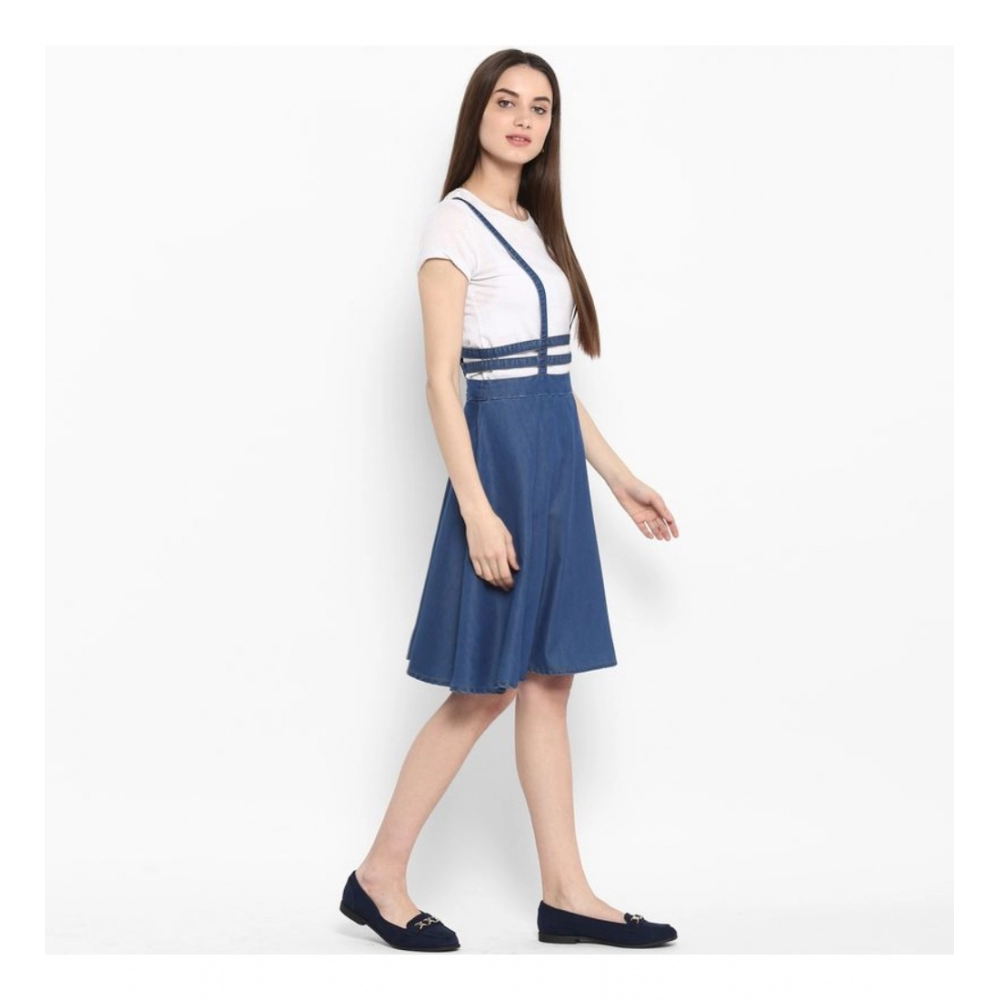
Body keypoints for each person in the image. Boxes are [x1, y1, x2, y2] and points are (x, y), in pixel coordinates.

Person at [340, 49, 680, 952]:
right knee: (484, 687)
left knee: (548, 681)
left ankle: (567, 895)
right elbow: (441, 384)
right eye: (506, 101)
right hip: (496, 471)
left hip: (556, 467)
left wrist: (618, 477)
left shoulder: (535, 226)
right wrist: (477, 507)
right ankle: (378, 877)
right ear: (478, 114)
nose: (524, 119)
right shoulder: (453, 225)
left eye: (540, 106)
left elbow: (552, 381)